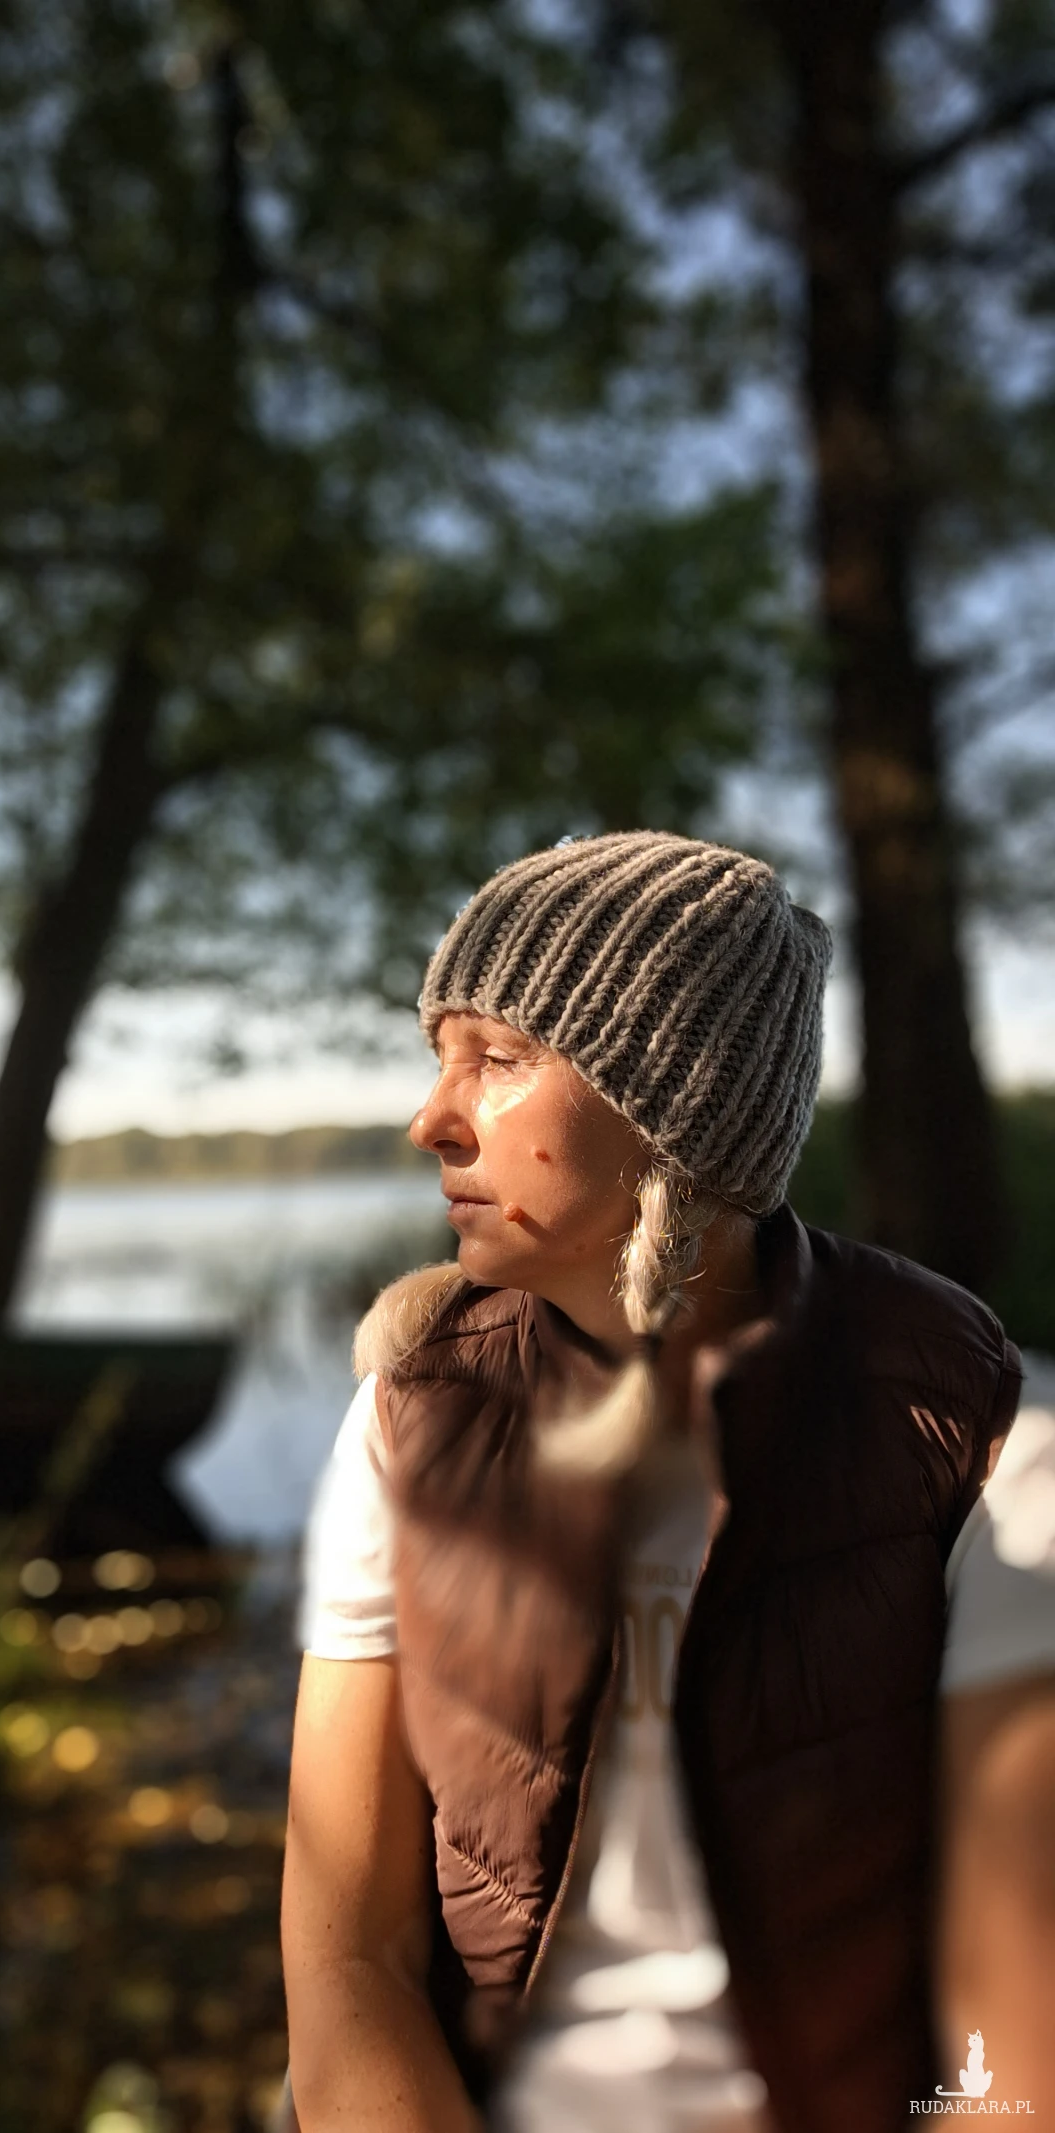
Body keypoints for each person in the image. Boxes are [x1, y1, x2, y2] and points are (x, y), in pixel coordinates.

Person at [279, 831, 1055, 2132]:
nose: (431, 1120)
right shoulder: (410, 1417)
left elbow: (1012, 2031)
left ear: (672, 1106)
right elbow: (351, 1962)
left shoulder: (975, 1425)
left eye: (499, 1059)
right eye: (439, 1057)